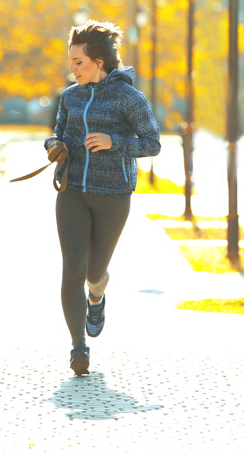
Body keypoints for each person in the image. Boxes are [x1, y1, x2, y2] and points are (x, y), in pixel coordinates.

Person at [44, 20, 161, 376]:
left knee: (94, 273)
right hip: (72, 192)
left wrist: (115, 143)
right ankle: (78, 347)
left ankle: (97, 295)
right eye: (71, 61)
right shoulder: (70, 96)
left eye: (78, 62)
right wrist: (54, 146)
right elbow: (58, 133)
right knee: (71, 270)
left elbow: (153, 143)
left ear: (98, 61)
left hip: (113, 196)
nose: (72, 68)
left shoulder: (129, 98)